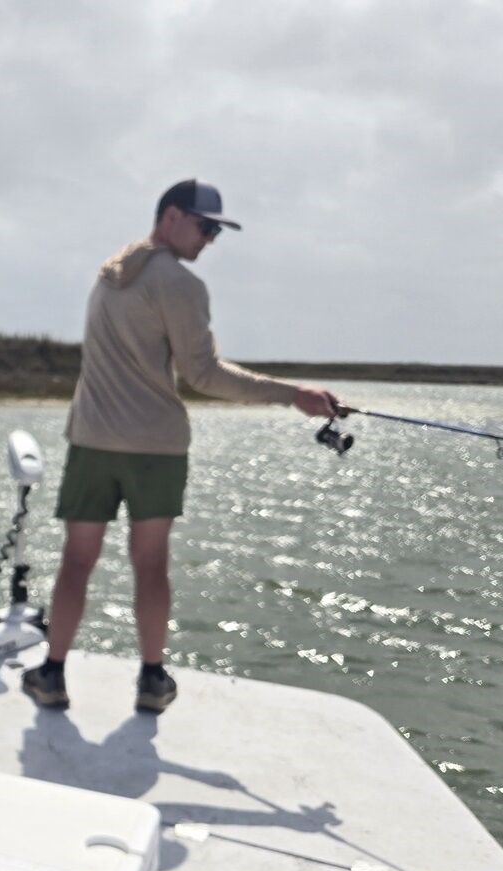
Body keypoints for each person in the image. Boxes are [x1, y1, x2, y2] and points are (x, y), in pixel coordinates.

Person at [22, 179, 337, 714]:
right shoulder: (181, 285)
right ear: (171, 217)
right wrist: (292, 395)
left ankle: (52, 673)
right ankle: (150, 679)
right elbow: (203, 375)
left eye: (217, 230)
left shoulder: (111, 271)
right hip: (156, 448)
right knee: (150, 564)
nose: (211, 239)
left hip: (93, 441)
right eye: (205, 226)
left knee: (77, 560)